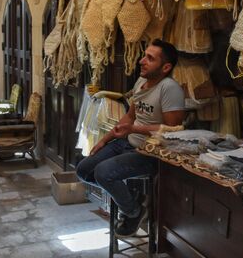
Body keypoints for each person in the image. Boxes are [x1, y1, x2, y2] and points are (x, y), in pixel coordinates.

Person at [76, 39, 185, 237]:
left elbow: (172, 130)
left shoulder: (169, 89)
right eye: (144, 55)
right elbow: (130, 116)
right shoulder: (141, 81)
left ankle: (133, 212)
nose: (142, 61)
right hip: (127, 142)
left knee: (103, 172)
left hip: (152, 153)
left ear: (165, 67)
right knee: (84, 169)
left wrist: (134, 129)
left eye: (150, 58)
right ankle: (131, 199)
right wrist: (104, 139)